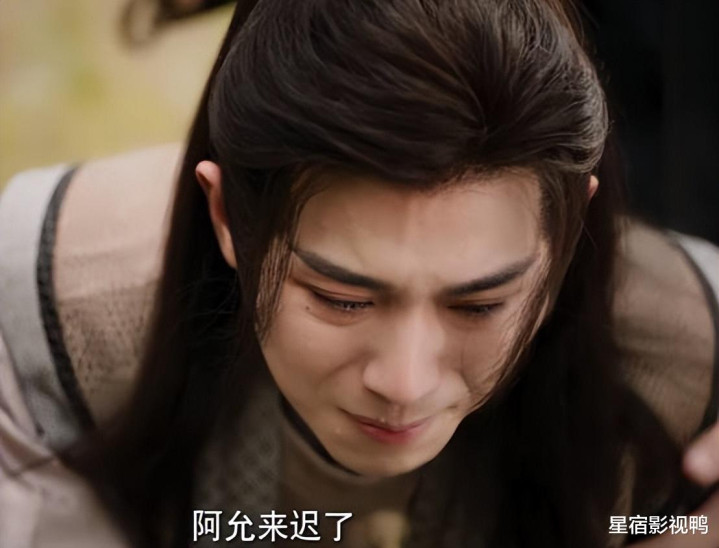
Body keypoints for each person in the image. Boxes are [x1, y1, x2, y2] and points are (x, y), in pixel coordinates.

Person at [1, 1, 718, 547]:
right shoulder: (54, 312)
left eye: (479, 305)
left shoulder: (689, 363)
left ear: (567, 240)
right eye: (341, 298)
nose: (404, 384)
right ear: (226, 218)